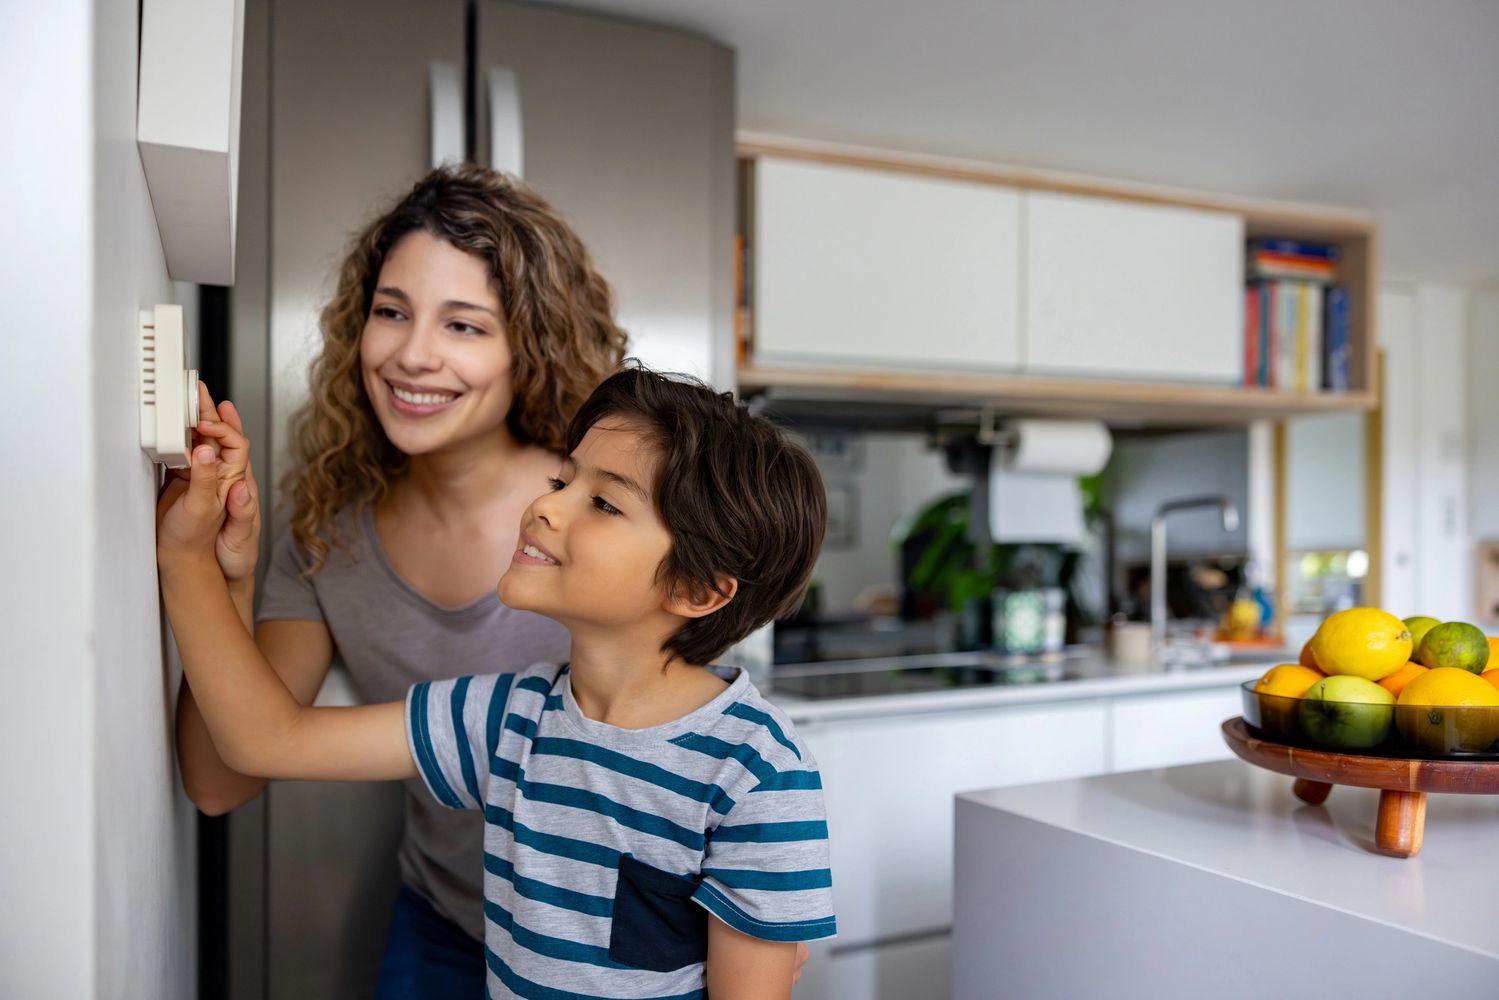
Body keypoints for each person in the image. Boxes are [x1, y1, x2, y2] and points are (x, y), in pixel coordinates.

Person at [157, 366, 836, 999]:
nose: (547, 508)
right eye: (561, 482)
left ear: (695, 588)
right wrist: (189, 559)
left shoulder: (758, 775)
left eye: (602, 503)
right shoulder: (506, 716)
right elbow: (266, 739)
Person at [173, 164, 624, 995]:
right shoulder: (324, 534)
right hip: (444, 924)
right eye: (391, 313)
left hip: (614, 947)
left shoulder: (606, 517)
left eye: (464, 325)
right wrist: (221, 574)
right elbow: (219, 778)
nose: (413, 355)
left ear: (531, 344)